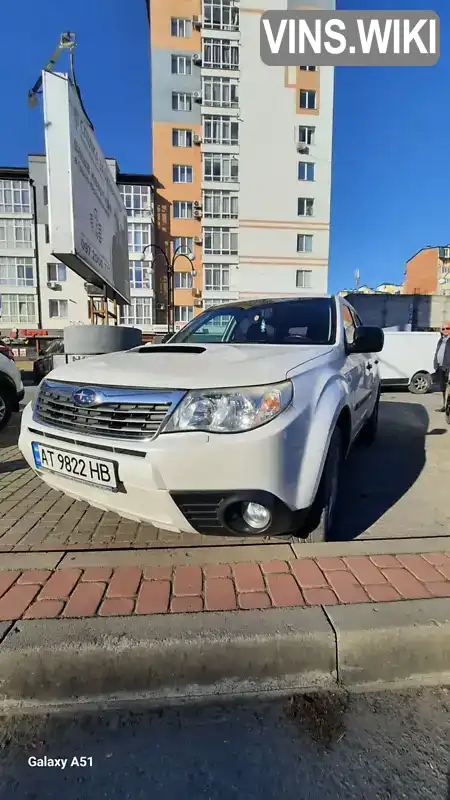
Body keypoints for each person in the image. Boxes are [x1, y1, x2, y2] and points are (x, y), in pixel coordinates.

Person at [433, 323, 450, 411]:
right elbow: (437, 352)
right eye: (443, 329)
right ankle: (444, 406)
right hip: (440, 366)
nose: (445, 330)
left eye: (447, 328)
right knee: (443, 388)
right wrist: (435, 363)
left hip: (448, 368)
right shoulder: (441, 340)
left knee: (448, 388)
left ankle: (448, 407)